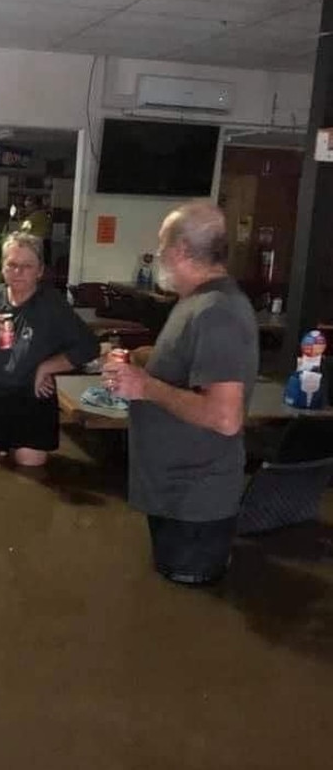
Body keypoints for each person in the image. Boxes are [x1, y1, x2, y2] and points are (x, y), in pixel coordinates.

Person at [105, 199, 259, 586]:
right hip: (175, 495)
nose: (159, 256)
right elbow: (189, 365)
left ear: (181, 251)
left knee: (187, 612)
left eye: (162, 247)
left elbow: (225, 417)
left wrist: (145, 385)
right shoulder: (197, 303)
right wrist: (142, 359)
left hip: (195, 504)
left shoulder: (217, 312)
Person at [0, 232, 99, 468]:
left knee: (33, 478)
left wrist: (47, 367)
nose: (18, 272)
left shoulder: (52, 304)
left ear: (40, 271)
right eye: (12, 265)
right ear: (2, 267)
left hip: (33, 402)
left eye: (27, 266)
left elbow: (88, 347)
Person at [21, 195, 52, 265]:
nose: (27, 209)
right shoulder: (44, 215)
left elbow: (24, 230)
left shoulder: (32, 218)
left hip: (36, 243)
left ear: (35, 206)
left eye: (29, 206)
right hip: (47, 242)